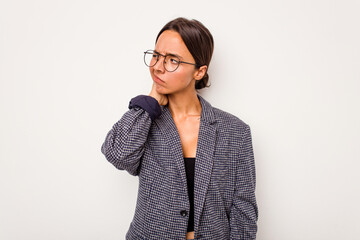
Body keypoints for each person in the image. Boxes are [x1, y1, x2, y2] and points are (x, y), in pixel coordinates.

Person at [101, 17, 258, 240]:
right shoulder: (146, 121)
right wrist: (150, 102)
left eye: (172, 60)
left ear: (199, 72)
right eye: (156, 56)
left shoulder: (235, 131)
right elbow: (118, 155)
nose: (157, 67)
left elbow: (243, 209)